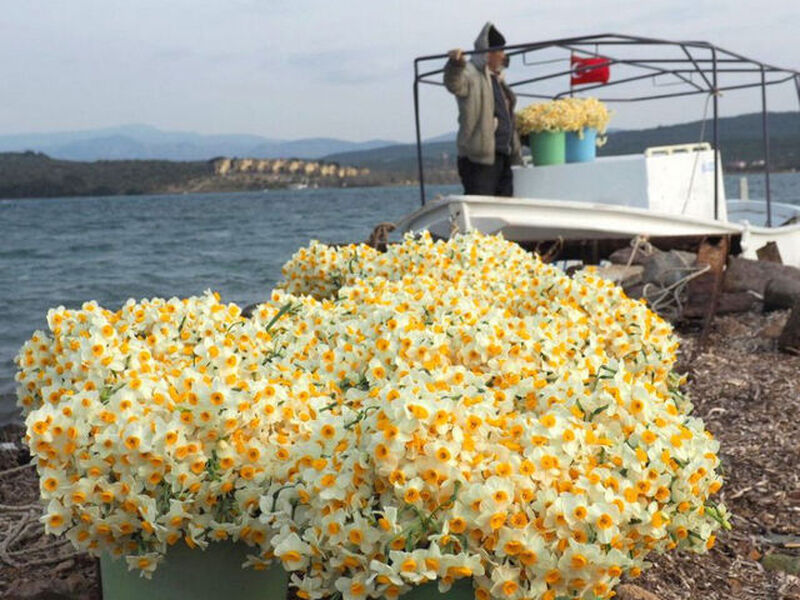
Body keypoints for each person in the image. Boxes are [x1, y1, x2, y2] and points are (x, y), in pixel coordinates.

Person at [444, 22, 522, 197]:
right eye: (500, 50)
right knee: (481, 206)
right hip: (478, 160)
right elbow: (454, 84)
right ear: (489, 52)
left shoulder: (498, 78)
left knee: (504, 205)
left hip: (503, 156)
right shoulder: (470, 72)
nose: (504, 55)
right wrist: (455, 65)